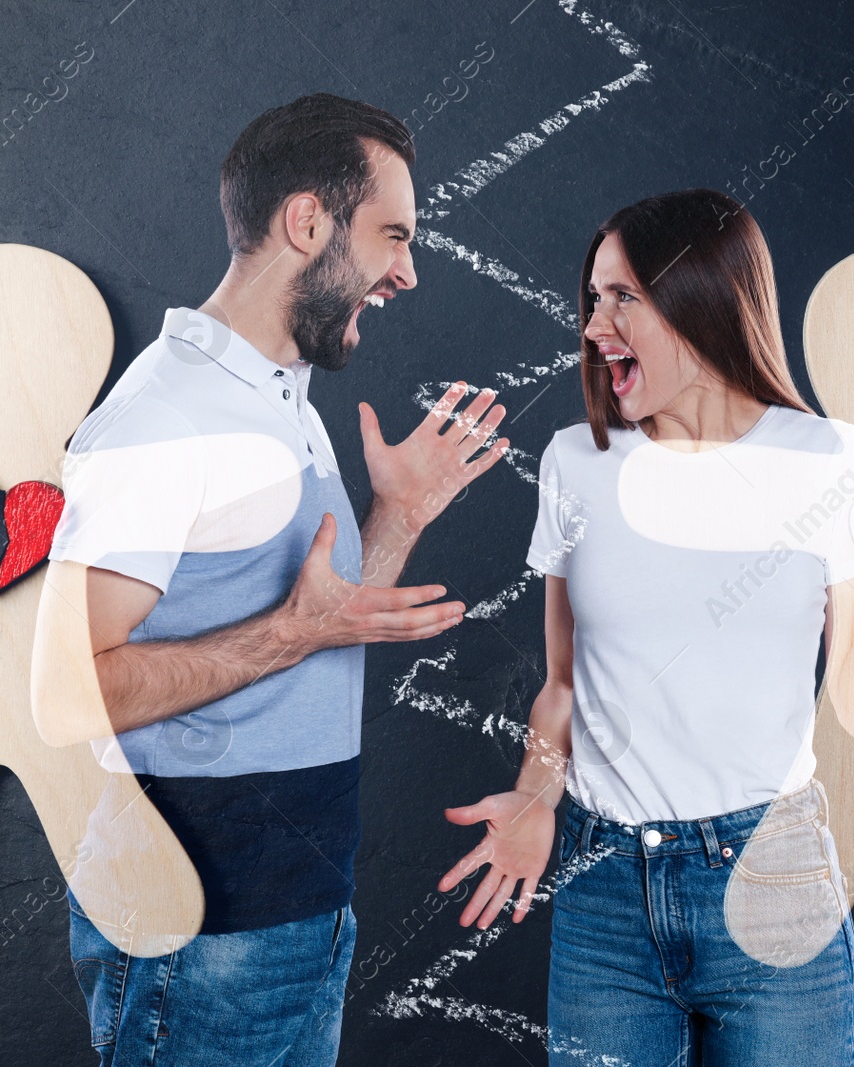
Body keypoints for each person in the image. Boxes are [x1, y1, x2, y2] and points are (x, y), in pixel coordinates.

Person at [439, 189, 854, 1065]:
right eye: (593, 299)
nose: (596, 326)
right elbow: (563, 685)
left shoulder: (827, 459)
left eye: (623, 297)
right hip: (605, 895)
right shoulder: (574, 465)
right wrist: (535, 791)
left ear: (702, 296)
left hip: (772, 881)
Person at [34, 93, 510, 1066]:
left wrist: (400, 517)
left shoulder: (274, 398)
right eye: (391, 234)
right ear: (307, 221)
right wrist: (294, 630)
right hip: (196, 933)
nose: (406, 271)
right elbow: (64, 693)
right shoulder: (167, 416)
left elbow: (313, 618)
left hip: (298, 911)